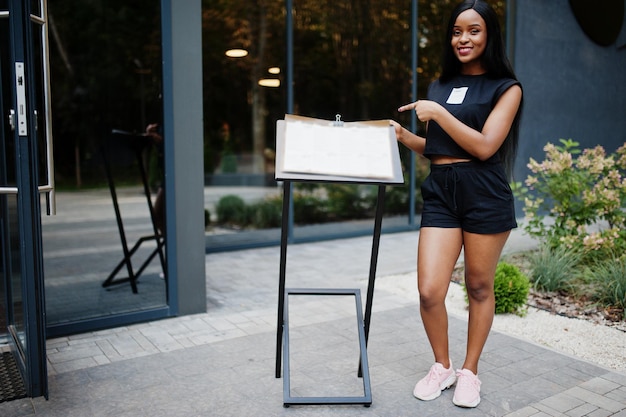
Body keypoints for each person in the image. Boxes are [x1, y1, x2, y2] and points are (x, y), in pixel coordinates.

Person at [390, 0, 523, 408]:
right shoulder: (439, 86)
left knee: (479, 286)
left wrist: (439, 114)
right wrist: (401, 135)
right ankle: (442, 367)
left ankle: (470, 372)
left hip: (484, 192)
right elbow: (438, 149)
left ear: (489, 35)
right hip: (442, 191)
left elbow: (484, 147)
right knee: (430, 290)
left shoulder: (507, 88)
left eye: (473, 30)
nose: (463, 38)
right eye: (456, 31)